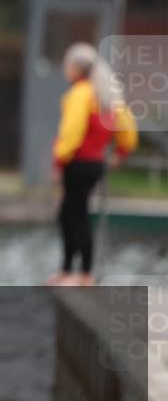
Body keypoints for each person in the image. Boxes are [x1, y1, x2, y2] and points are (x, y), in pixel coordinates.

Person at [47, 42, 138, 287]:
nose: (65, 69)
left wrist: (58, 161)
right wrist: (121, 152)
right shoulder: (107, 95)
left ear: (77, 68)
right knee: (71, 213)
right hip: (95, 164)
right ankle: (70, 270)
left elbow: (71, 133)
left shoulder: (80, 94)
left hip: (77, 163)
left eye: (67, 64)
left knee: (74, 215)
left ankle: (83, 273)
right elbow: (128, 130)